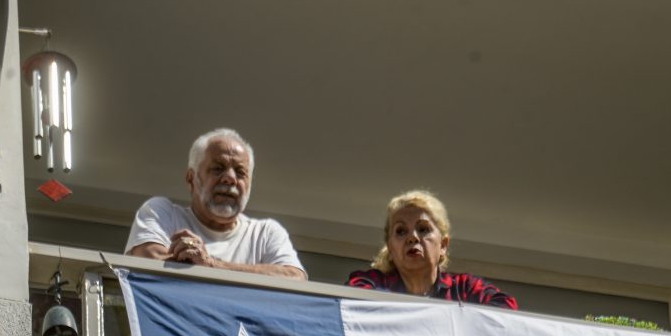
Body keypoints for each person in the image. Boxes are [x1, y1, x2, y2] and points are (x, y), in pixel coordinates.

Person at [125, 128, 307, 279]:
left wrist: (211, 264)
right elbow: (148, 263)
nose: (229, 178)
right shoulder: (162, 213)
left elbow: (294, 278)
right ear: (191, 179)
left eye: (240, 172)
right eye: (218, 168)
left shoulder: (265, 233)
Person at [346, 190, 518, 309]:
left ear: (443, 245)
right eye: (400, 231)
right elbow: (351, 301)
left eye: (423, 229)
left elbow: (506, 308)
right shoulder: (371, 282)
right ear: (390, 248)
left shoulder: (464, 288)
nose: (412, 237)